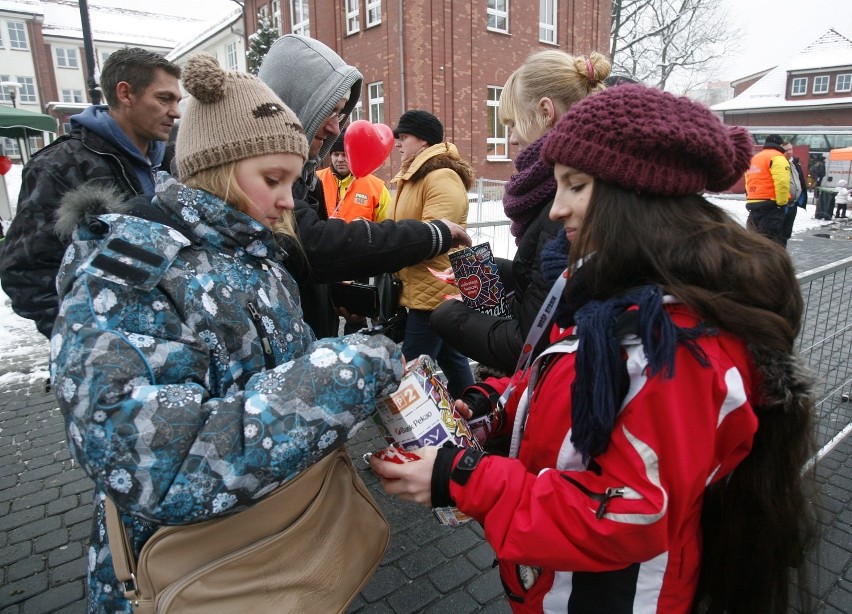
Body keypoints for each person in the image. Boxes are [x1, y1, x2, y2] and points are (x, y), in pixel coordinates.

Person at [370, 84, 816, 613]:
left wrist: (465, 476)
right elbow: (556, 360)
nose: (557, 209)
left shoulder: (672, 345)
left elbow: (627, 507)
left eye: (574, 186)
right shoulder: (607, 280)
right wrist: (500, 407)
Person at [49, 53, 404, 614]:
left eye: (294, 179)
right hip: (194, 573)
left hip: (267, 551)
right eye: (273, 179)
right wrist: (343, 373)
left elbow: (271, 366)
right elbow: (158, 461)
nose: (290, 200)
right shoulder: (133, 269)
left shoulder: (253, 252)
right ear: (218, 167)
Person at [258, 34, 471, 339]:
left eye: (340, 115)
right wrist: (429, 235)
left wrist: (328, 293)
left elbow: (306, 255)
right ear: (298, 105)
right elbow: (314, 247)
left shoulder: (436, 176)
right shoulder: (281, 181)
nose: (336, 128)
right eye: (330, 111)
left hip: (430, 293)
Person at [431, 50, 610, 376]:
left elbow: (530, 342)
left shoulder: (560, 205)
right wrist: (485, 271)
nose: (511, 138)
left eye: (512, 124)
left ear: (545, 112)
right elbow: (543, 282)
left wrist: (447, 316)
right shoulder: (558, 192)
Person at [0, 47, 182, 338]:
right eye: (164, 99)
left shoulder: (175, 162)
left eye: (177, 100)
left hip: (175, 342)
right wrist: (85, 338)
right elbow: (25, 272)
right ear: (125, 94)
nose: (175, 111)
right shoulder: (59, 166)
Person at [390, 109, 475, 398]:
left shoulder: (441, 177)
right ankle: (476, 414)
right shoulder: (413, 176)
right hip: (424, 290)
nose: (398, 144)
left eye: (404, 136)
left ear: (424, 141)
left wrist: (391, 245)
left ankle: (414, 432)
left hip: (433, 293)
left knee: (410, 373)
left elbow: (436, 237)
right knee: (453, 359)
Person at [316, 128, 391, 222]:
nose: (340, 159)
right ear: (330, 155)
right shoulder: (316, 180)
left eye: (345, 155)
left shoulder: (376, 187)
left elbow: (387, 227)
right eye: (336, 154)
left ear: (354, 155)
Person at [744, 133, 790, 244]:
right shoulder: (778, 157)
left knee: (754, 239)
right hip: (770, 204)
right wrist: (782, 203)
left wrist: (751, 196)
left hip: (754, 203)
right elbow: (782, 182)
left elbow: (747, 180)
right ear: (780, 145)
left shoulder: (755, 158)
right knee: (770, 241)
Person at [782, 141, 808, 246]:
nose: (789, 152)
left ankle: (782, 255)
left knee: (786, 233)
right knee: (778, 234)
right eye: (786, 150)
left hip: (793, 204)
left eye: (790, 149)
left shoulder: (795, 163)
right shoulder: (779, 163)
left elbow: (800, 181)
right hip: (783, 204)